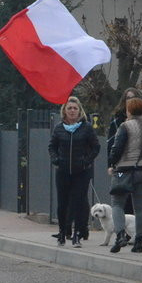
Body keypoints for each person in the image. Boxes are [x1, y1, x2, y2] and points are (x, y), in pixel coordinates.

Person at [108, 97, 142, 253]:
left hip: (124, 170)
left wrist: (112, 163)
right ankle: (138, 242)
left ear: (129, 110)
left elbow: (117, 148)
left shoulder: (125, 126)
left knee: (117, 203)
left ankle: (120, 235)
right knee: (140, 207)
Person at [48, 96, 100, 248]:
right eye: (69, 108)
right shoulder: (59, 128)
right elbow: (52, 146)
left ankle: (77, 234)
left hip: (81, 172)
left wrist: (86, 161)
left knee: (78, 202)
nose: (72, 111)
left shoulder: (86, 127)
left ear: (79, 111)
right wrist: (56, 159)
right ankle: (63, 232)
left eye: (75, 108)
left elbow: (96, 147)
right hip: (63, 170)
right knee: (62, 204)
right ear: (64, 110)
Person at [107, 88, 142, 215]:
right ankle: (122, 231)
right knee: (121, 197)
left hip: (140, 166)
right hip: (121, 165)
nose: (130, 101)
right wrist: (110, 164)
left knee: (137, 201)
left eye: (133, 98)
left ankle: (137, 232)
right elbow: (111, 144)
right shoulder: (117, 119)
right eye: (128, 98)